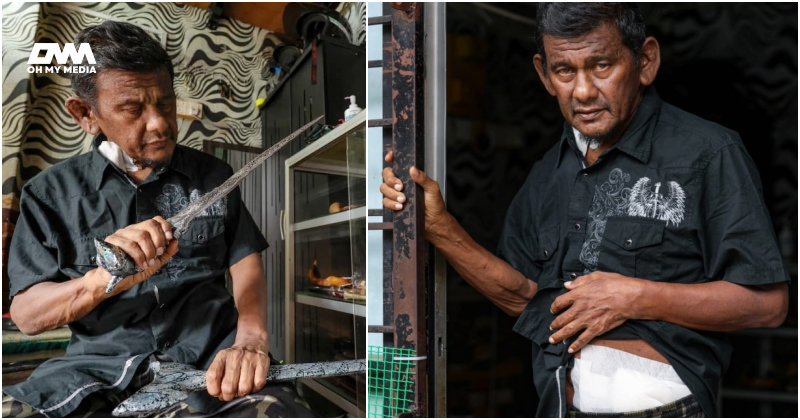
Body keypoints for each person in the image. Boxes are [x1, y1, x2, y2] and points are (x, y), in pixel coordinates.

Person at [381, 3, 789, 418]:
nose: (583, 91)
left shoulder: (707, 153)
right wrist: (441, 228)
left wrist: (634, 297)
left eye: (601, 66)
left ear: (645, 61)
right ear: (544, 74)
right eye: (565, 71)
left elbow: (767, 305)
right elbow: (524, 296)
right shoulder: (545, 176)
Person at [3, 21, 313, 418]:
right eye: (133, 108)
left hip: (211, 364)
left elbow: (244, 260)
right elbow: (28, 317)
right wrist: (102, 279)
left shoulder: (212, 175)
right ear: (86, 114)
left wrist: (251, 338)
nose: (160, 124)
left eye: (164, 102)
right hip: (96, 372)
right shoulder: (48, 194)